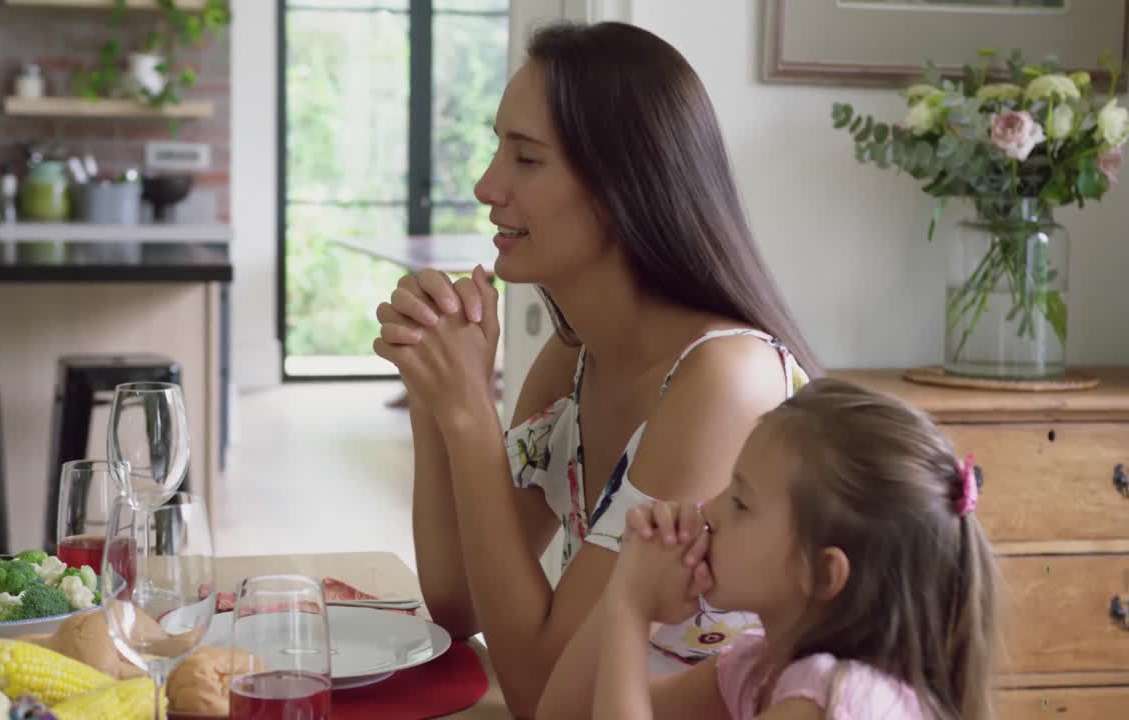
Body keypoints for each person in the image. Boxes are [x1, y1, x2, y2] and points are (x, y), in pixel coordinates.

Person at [373, 20, 818, 716]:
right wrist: (433, 387)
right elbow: (457, 603)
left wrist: (469, 413)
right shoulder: (574, 354)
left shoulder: (724, 380)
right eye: (498, 151)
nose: (487, 186)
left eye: (526, 159)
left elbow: (540, 691)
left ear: (622, 185)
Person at [581, 378, 1000, 720]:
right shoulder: (759, 666)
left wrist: (632, 609)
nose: (709, 509)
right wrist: (637, 596)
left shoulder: (834, 700)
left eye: (741, 503)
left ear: (820, 573)